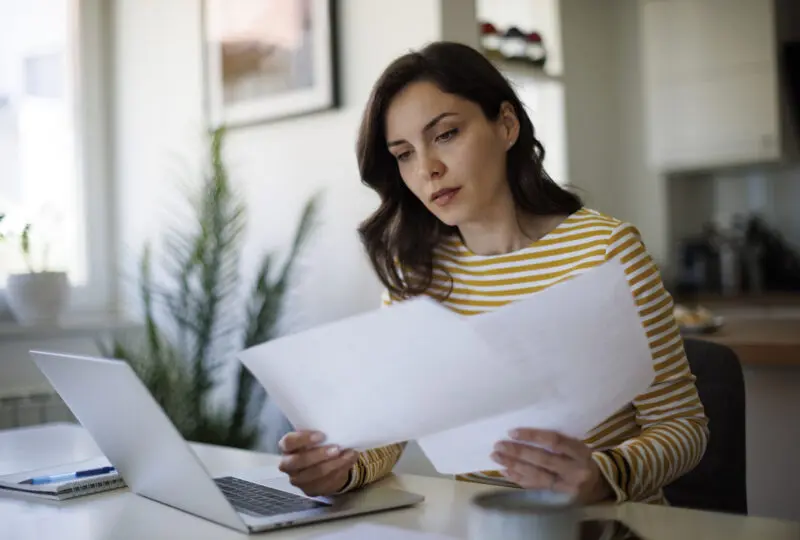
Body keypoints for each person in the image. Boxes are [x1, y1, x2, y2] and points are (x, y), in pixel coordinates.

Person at [277, 41, 709, 505]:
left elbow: (683, 427)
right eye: (404, 154)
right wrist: (340, 469)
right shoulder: (415, 274)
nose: (428, 169)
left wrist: (604, 474)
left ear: (506, 124)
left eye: (445, 134)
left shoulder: (605, 249)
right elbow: (389, 431)